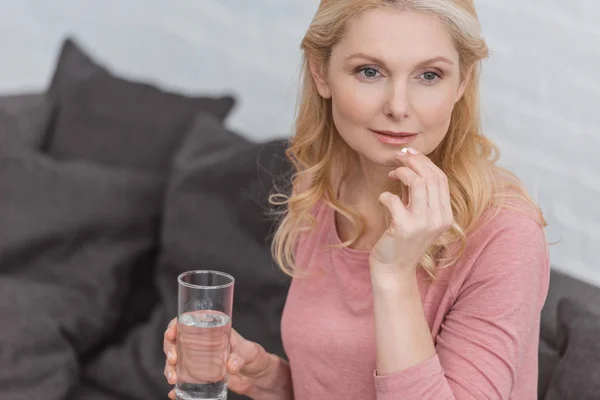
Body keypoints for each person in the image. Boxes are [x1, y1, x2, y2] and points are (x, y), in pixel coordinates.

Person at [163, 0, 550, 398]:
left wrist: (395, 276)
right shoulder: (322, 190)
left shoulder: (505, 236)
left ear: (462, 83)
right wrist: (273, 383)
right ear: (320, 72)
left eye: (429, 75)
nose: (398, 107)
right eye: (370, 71)